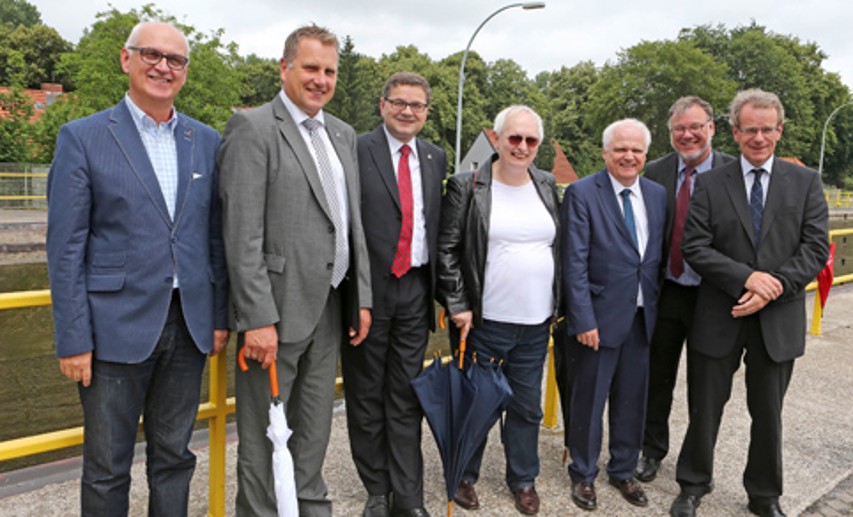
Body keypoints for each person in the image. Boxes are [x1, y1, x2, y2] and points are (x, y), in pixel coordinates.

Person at [45, 21, 229, 516]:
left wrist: (218, 317)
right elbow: (65, 248)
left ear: (185, 73)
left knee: (174, 459)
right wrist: (73, 338)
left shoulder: (207, 142)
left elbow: (214, 238)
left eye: (175, 60)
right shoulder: (82, 138)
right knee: (106, 468)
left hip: (188, 327)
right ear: (126, 60)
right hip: (112, 331)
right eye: (152, 54)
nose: (163, 67)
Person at [218, 24, 372, 516]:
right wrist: (256, 318)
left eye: (329, 71)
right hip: (276, 317)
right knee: (264, 441)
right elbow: (241, 236)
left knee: (313, 431)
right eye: (310, 68)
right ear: (284, 68)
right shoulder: (254, 128)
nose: (320, 80)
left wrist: (361, 297)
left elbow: (351, 225)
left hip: (329, 308)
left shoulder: (344, 135)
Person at [670, 89, 829, 517]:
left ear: (779, 131)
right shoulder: (709, 182)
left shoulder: (806, 182)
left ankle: (764, 495)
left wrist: (770, 287)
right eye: (749, 129)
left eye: (766, 129)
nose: (758, 138)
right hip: (718, 313)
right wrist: (747, 279)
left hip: (776, 318)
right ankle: (692, 486)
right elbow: (695, 246)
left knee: (768, 414)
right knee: (703, 409)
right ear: (735, 133)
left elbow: (815, 250)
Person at [438, 105, 560, 516]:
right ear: (497, 139)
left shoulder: (546, 184)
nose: (521, 147)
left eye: (530, 140)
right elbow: (448, 250)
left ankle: (523, 479)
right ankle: (464, 474)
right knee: (479, 404)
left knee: (526, 407)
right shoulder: (467, 186)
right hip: (485, 322)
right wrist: (457, 305)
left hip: (535, 322)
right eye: (514, 138)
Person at [342, 71, 446, 517]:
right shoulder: (355, 149)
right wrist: (355, 297)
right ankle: (377, 491)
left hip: (416, 290)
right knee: (365, 397)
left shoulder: (435, 156)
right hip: (368, 292)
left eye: (417, 105)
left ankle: (408, 497)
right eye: (399, 102)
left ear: (426, 112)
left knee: (406, 396)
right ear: (382, 105)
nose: (407, 111)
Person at [561, 118, 666, 511]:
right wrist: (583, 319)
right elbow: (573, 262)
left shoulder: (657, 195)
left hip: (642, 317)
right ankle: (583, 475)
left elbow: (651, 260)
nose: (629, 156)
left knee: (632, 400)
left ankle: (622, 470)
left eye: (636, 150)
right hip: (597, 320)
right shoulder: (582, 193)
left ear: (645, 154)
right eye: (621, 149)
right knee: (588, 400)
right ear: (606, 152)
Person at [635, 96, 735, 483]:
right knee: (655, 378)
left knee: (706, 388)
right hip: (665, 291)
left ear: (712, 127)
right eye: (679, 129)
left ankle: (695, 466)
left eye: (696, 126)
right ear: (670, 133)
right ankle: (651, 449)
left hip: (713, 296)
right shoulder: (654, 173)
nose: (688, 134)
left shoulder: (733, 172)